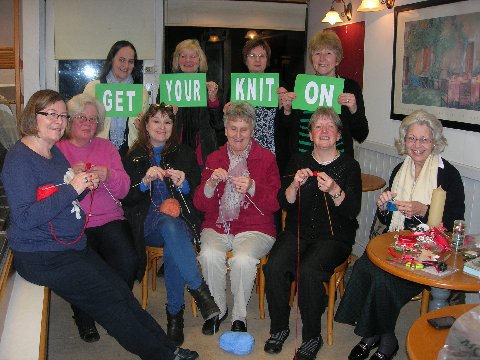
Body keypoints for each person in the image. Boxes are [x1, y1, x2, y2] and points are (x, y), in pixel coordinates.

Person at [1, 89, 198, 360]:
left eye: (62, 115)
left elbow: (67, 194)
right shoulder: (19, 160)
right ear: (32, 117)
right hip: (43, 255)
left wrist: (85, 183)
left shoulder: (52, 153)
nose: (59, 121)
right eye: (51, 115)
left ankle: (168, 346)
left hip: (71, 245)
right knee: (110, 303)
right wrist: (73, 189)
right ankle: (163, 355)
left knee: (121, 292)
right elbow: (23, 219)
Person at [335, 110, 465, 360]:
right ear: (404, 141)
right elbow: (387, 221)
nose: (417, 146)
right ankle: (373, 333)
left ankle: (386, 341)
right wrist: (383, 207)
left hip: (429, 252)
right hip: (396, 243)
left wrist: (424, 210)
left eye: (424, 140)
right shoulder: (399, 170)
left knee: (384, 280)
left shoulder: (448, 175)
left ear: (435, 142)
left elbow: (453, 223)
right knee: (363, 267)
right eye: (411, 139)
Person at [263, 106, 362, 360]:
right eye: (318, 126)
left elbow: (352, 211)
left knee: (308, 271)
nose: (324, 131)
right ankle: (279, 328)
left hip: (334, 236)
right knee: (274, 266)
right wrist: (294, 185)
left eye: (330, 126)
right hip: (298, 231)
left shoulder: (350, 166)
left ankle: (311, 336)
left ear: (339, 134)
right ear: (310, 134)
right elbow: (284, 202)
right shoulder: (298, 160)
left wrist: (335, 189)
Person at [122, 103, 220, 346]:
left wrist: (184, 183)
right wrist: (144, 182)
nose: (162, 127)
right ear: (145, 125)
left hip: (179, 221)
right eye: (156, 121)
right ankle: (198, 292)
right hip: (146, 223)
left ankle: (175, 317)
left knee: (174, 238)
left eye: (167, 122)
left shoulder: (184, 153)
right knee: (171, 228)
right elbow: (126, 198)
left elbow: (198, 195)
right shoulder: (132, 154)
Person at [56, 93, 139, 343]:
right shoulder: (58, 150)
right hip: (75, 222)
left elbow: (124, 189)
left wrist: (108, 174)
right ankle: (84, 316)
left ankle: (110, 308)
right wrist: (71, 176)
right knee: (80, 267)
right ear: (70, 120)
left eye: (94, 119)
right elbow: (50, 193)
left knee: (129, 261)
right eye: (82, 117)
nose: (88, 123)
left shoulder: (107, 147)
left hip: (110, 218)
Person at [193, 101, 281, 335]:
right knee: (209, 254)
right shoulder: (214, 159)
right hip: (218, 224)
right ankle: (218, 310)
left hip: (256, 227)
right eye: (233, 128)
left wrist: (253, 187)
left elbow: (276, 202)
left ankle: (239, 316)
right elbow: (200, 204)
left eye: (244, 129)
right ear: (226, 130)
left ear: (252, 131)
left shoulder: (267, 158)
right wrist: (210, 184)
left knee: (242, 260)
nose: (238, 135)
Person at [278, 30, 368, 174]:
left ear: (337, 59)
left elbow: (361, 134)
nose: (322, 59)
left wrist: (354, 109)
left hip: (338, 165)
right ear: (312, 59)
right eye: (317, 53)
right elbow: (284, 130)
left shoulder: (350, 87)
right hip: (302, 164)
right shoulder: (299, 85)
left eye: (328, 53)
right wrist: (287, 110)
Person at [161, 39, 224, 165]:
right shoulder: (168, 85)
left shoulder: (210, 85)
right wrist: (168, 112)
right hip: (174, 153)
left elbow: (218, 124)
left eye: (193, 56)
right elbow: (159, 125)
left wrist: (212, 100)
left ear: (200, 60)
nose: (188, 60)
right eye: (183, 56)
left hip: (204, 152)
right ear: (177, 60)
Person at [84, 40, 148, 157]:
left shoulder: (141, 92)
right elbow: (82, 122)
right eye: (121, 60)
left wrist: (144, 127)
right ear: (112, 59)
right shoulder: (93, 88)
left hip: (131, 153)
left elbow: (146, 130)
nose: (126, 65)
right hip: (98, 152)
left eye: (131, 62)